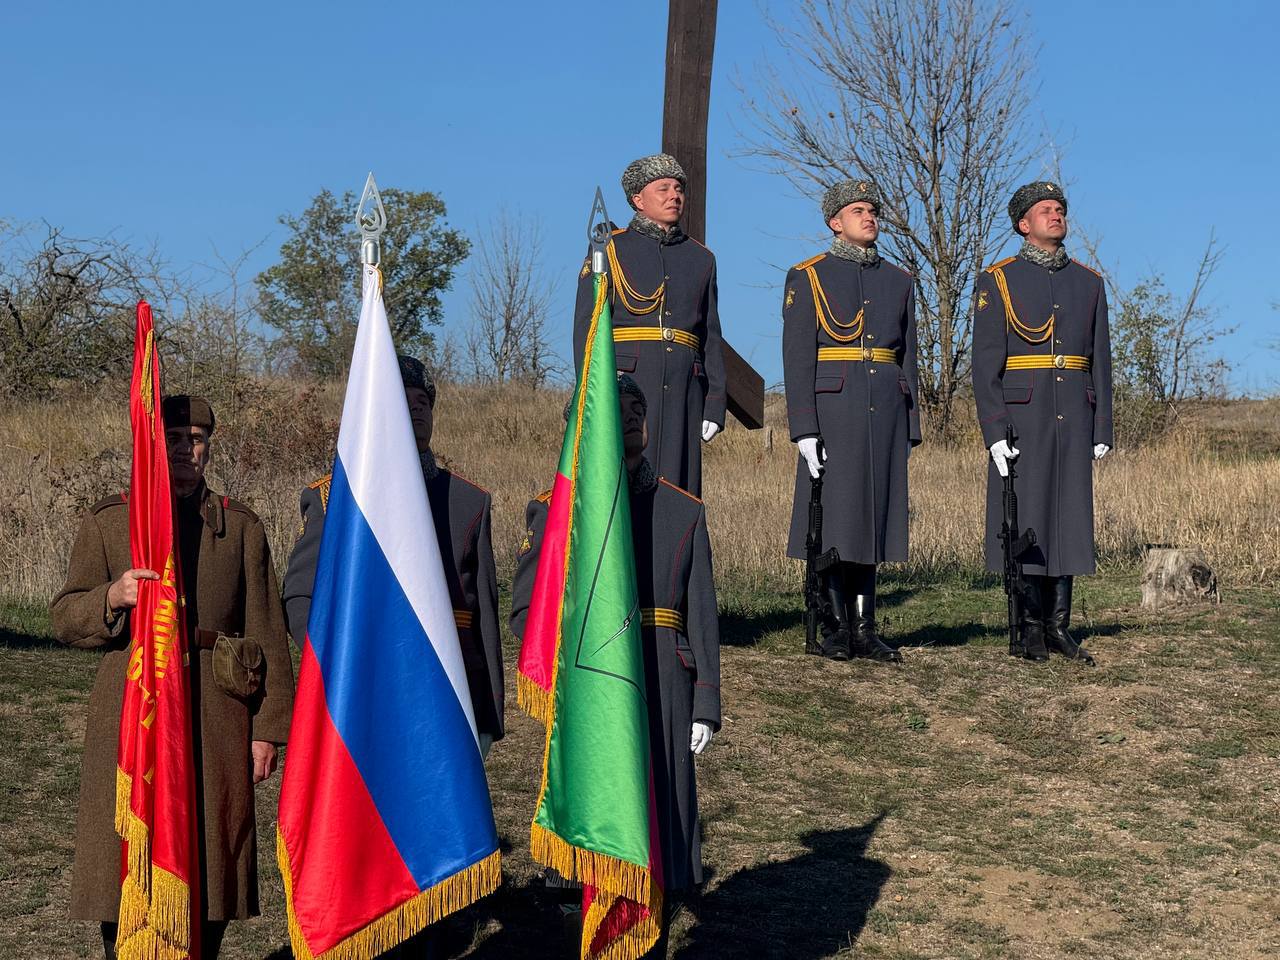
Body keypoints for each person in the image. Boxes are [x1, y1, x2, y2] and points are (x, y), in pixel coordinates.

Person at [50, 395, 295, 960]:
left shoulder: (239, 528)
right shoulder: (110, 522)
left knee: (211, 865)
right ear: (154, 445)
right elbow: (64, 616)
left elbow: (267, 630)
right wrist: (112, 597)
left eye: (197, 440)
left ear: (210, 448)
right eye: (175, 439)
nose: (186, 449)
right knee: (125, 868)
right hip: (131, 717)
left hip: (214, 718)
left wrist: (267, 730)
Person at [511, 375, 720, 955]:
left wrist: (705, 698)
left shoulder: (683, 510)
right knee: (605, 818)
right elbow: (528, 610)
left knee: (667, 814)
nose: (629, 419)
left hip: (665, 684)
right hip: (593, 688)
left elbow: (700, 613)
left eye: (637, 410)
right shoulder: (559, 514)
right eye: (616, 410)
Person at [281, 355, 505, 751]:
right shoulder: (337, 500)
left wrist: (488, 717)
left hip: (449, 691)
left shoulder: (468, 502)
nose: (418, 408)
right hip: (364, 690)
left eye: (424, 402)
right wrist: (336, 664)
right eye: (405, 400)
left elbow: (484, 618)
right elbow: (301, 597)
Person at [971, 180, 1113, 663]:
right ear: (1023, 224)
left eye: (1060, 209)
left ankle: (1059, 627)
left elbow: (1101, 363)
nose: (1056, 215)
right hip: (1022, 416)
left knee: (1069, 516)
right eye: (1046, 210)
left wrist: (1102, 427)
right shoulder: (998, 280)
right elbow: (984, 364)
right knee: (1026, 515)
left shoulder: (1089, 283)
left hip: (1074, 412)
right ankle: (1029, 625)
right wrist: (993, 429)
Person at [782, 179, 921, 662]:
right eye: (857, 210)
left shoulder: (899, 281)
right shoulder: (809, 276)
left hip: (884, 412)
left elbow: (909, 359)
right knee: (833, 518)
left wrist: (911, 423)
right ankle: (834, 626)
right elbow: (797, 357)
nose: (869, 217)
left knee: (872, 518)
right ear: (834, 222)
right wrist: (803, 427)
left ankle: (866, 628)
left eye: (873, 210)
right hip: (832, 410)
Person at [573, 153, 726, 495]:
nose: (675, 195)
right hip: (626, 383)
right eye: (664, 188)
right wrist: (591, 393)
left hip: (685, 390)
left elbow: (710, 337)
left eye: (678, 188)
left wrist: (715, 402)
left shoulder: (701, 258)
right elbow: (588, 325)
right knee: (621, 486)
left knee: (679, 488)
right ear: (638, 200)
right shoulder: (610, 247)